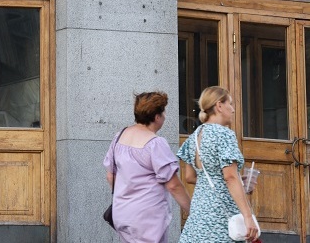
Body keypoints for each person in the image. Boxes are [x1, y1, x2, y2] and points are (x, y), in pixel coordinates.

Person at [103, 91, 191, 242]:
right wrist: (193, 211)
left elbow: (110, 175)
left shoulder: (120, 136)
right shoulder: (155, 143)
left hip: (122, 213)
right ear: (157, 117)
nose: (165, 116)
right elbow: (173, 185)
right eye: (164, 112)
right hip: (147, 219)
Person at [177, 86, 259, 242]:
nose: (233, 110)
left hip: (199, 213)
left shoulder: (194, 137)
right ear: (219, 106)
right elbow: (230, 177)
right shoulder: (224, 134)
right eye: (230, 104)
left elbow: (189, 176)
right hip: (220, 216)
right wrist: (248, 216)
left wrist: (235, 180)